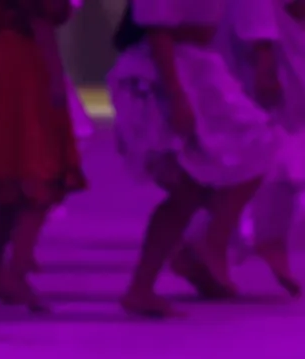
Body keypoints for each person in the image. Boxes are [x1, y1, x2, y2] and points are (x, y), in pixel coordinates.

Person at [108, 0, 280, 316]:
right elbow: (158, 29)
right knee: (188, 186)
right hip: (168, 70)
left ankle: (203, 244)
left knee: (250, 148)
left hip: (196, 66)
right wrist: (176, 94)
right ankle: (144, 285)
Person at [0, 0, 86, 312]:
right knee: (41, 174)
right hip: (22, 68)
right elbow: (41, 19)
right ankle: (16, 272)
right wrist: (55, 78)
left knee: (8, 175)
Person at [242, 0, 305, 295]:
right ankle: (269, 239)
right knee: (273, 146)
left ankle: (269, 239)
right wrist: (264, 58)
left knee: (280, 149)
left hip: (280, 42)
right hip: (273, 48)